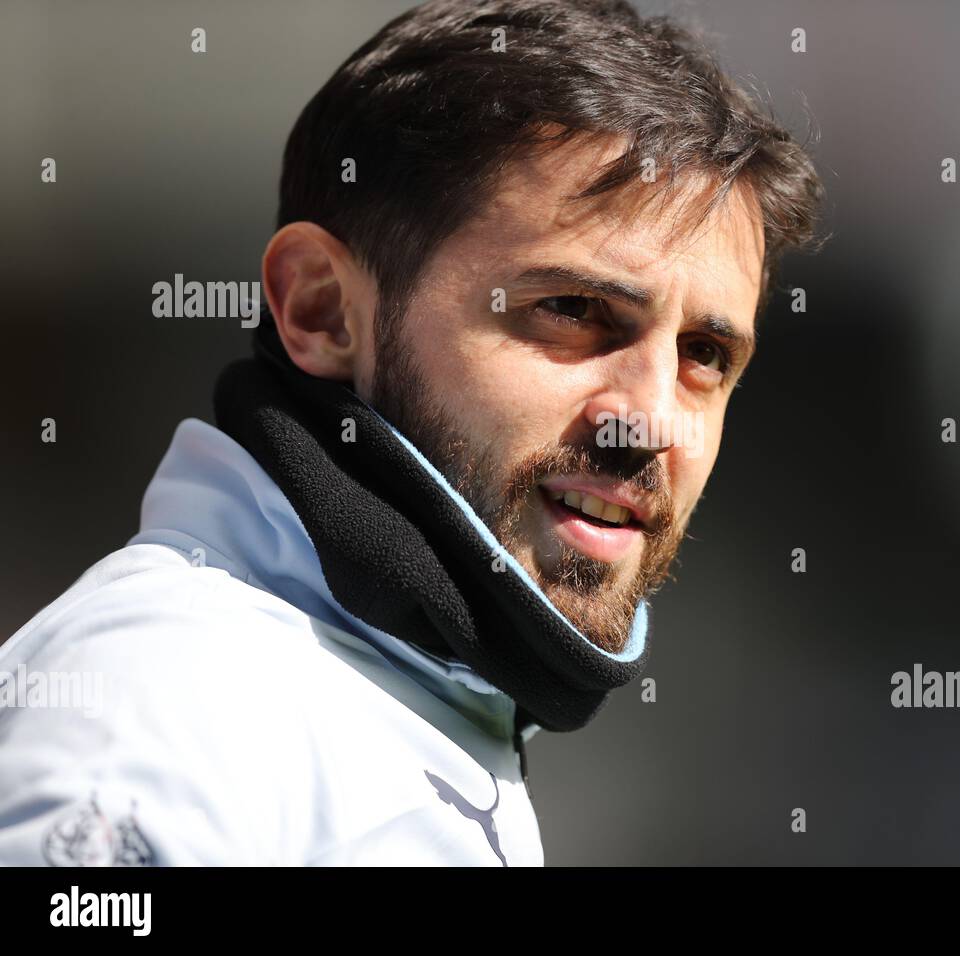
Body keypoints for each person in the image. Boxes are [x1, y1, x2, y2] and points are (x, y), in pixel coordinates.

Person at [0, 0, 822, 866]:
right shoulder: (164, 701)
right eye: (573, 311)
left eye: (704, 353)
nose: (650, 420)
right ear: (320, 308)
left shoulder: (416, 698)